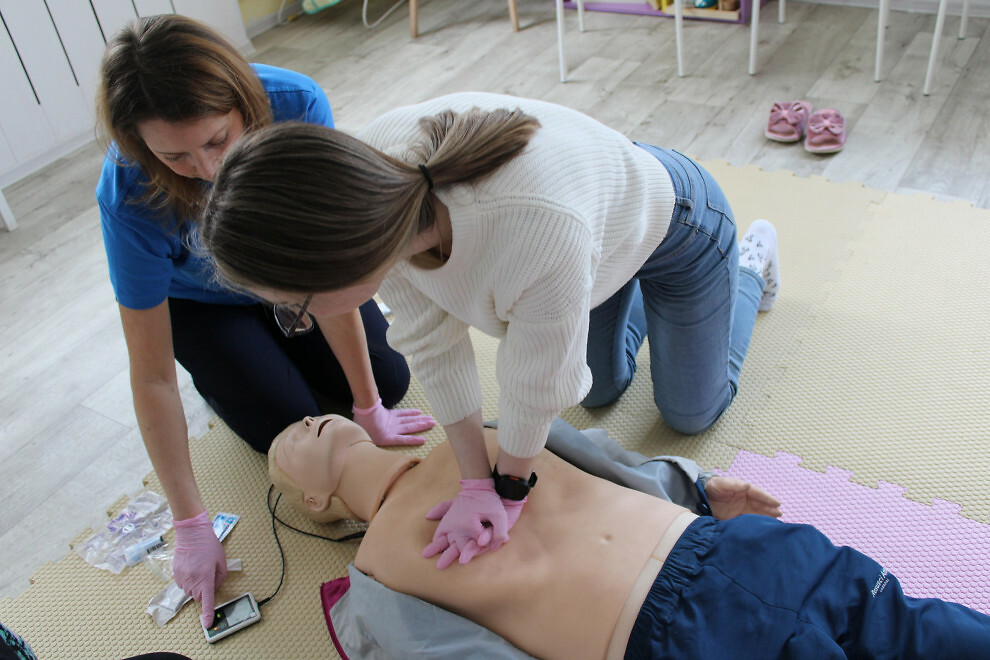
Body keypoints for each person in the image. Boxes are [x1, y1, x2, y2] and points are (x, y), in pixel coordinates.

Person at [200, 92, 781, 567]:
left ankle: (750, 265)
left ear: (340, 261)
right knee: (599, 389)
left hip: (679, 223)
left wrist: (508, 491)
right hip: (595, 234)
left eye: (293, 304)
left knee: (690, 415)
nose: (298, 320)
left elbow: (535, 386)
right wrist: (475, 482)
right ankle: (620, 298)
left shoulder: (529, 227)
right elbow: (432, 343)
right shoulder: (373, 217)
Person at [93, 15, 434, 627]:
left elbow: (328, 268)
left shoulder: (296, 102)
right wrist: (191, 523)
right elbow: (149, 377)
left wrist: (365, 408)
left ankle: (313, 377)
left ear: (246, 106)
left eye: (218, 140)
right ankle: (226, 372)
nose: (206, 169)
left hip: (286, 268)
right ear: (143, 149)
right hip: (199, 305)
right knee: (286, 430)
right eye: (174, 155)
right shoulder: (127, 194)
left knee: (386, 383)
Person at [271, 414, 990, 659]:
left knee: (908, 624)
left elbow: (607, 460)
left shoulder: (474, 431)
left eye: (306, 416)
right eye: (288, 443)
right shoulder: (374, 576)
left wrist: (699, 485)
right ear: (315, 501)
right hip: (668, 639)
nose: (307, 421)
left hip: (724, 548)